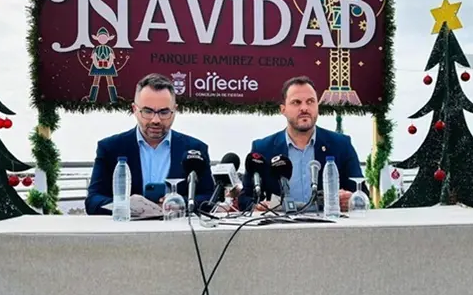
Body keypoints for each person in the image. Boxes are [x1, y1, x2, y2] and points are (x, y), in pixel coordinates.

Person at [85, 73, 215, 215]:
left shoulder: (195, 149)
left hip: (178, 231)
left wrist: (179, 203)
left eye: (164, 112)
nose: (156, 120)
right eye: (148, 111)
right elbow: (93, 201)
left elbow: (209, 198)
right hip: (127, 232)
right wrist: (127, 206)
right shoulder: (111, 148)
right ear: (135, 110)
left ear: (175, 111)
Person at [239, 76, 365, 212]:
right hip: (279, 228)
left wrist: (351, 199)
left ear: (318, 106)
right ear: (283, 110)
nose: (304, 108)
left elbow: (362, 193)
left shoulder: (341, 145)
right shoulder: (263, 148)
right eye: (296, 102)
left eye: (310, 101)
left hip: (329, 228)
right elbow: (245, 198)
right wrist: (257, 207)